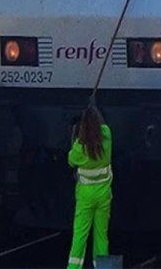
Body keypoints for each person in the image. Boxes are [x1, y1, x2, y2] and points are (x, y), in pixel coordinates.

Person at [67, 106, 112, 269]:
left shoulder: (79, 149)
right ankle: (103, 267)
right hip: (104, 194)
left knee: (80, 235)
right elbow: (103, 127)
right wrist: (94, 110)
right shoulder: (107, 137)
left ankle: (73, 268)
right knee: (101, 236)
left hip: (85, 196)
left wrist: (77, 136)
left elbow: (71, 160)